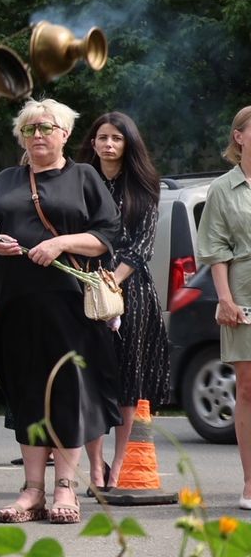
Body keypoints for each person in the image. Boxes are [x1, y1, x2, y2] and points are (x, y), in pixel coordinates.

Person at [0, 98, 121, 526]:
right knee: (27, 392)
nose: (38, 135)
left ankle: (65, 487)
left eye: (46, 128)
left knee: (69, 392)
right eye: (30, 129)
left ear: (66, 134)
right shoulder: (4, 180)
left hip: (70, 305)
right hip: (17, 306)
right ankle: (32, 490)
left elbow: (107, 237)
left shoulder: (84, 177)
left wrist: (61, 242)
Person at [80, 112, 172, 490]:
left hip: (128, 289)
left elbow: (143, 246)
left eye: (116, 138)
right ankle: (94, 465)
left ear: (128, 144)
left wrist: (112, 284)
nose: (108, 144)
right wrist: (93, 281)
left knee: (128, 379)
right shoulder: (80, 179)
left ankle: (119, 463)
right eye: (102, 137)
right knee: (88, 376)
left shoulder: (145, 185)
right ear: (93, 142)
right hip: (84, 282)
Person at [195, 105, 251, 510]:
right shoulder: (222, 189)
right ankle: (250, 483)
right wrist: (225, 299)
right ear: (239, 136)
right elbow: (215, 250)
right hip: (244, 293)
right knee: (248, 389)